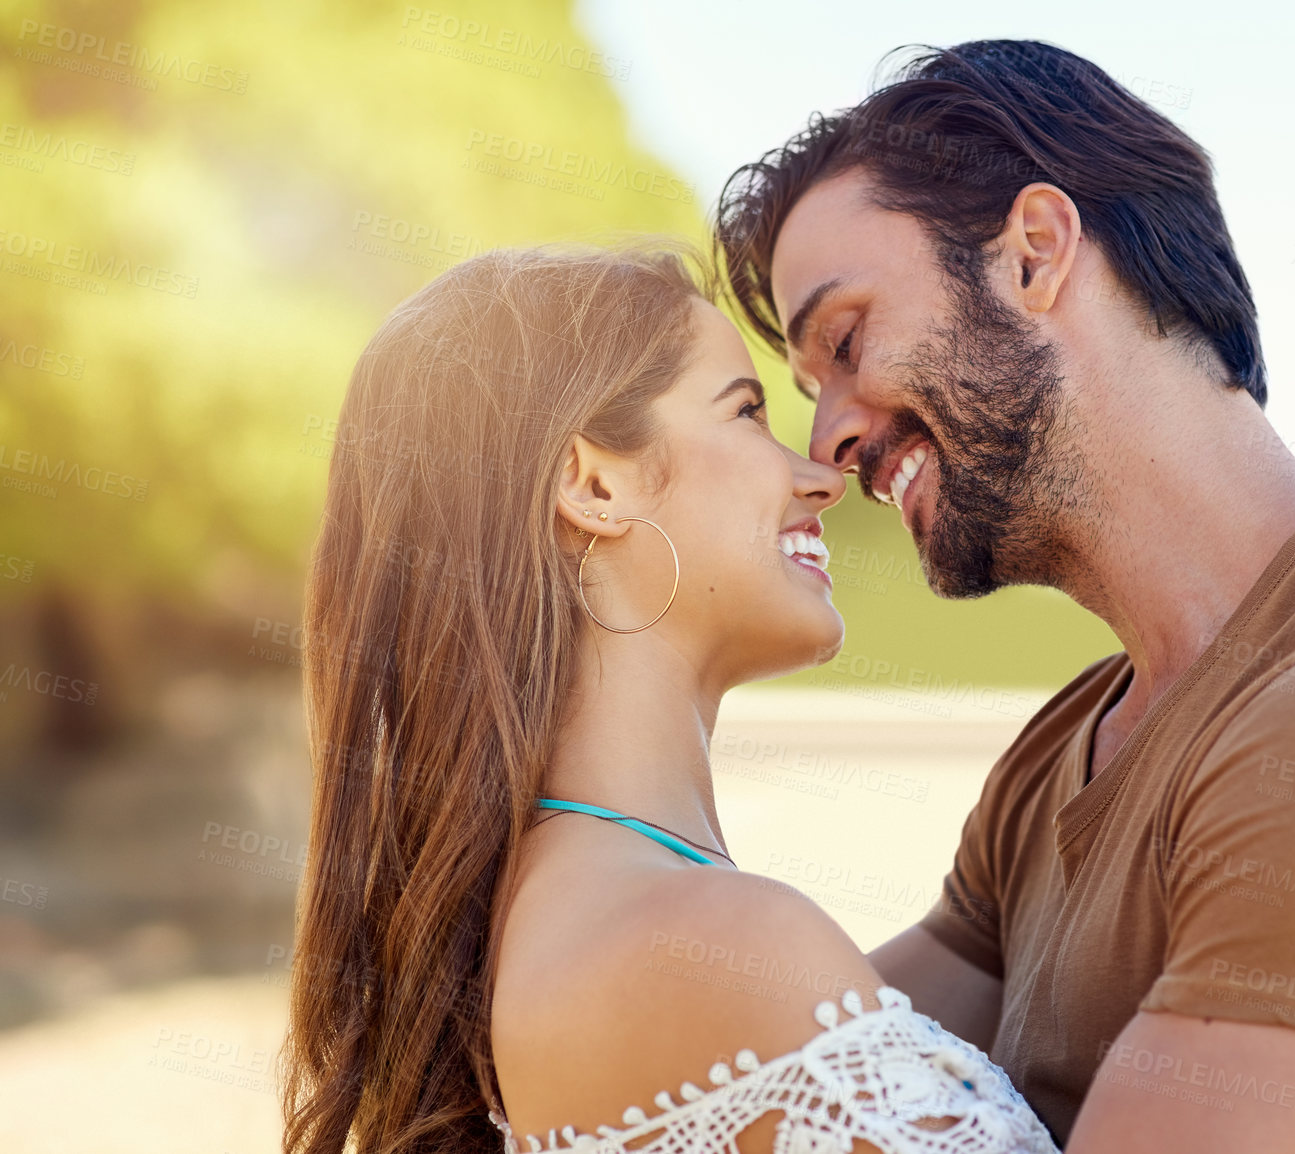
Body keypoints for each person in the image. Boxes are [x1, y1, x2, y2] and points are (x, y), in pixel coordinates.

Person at [716, 39, 1295, 1154]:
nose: (833, 436)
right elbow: (774, 1087)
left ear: (1035, 253)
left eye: (847, 339)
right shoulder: (1071, 746)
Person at [279, 247, 1059, 1154]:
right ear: (595, 486)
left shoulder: (564, 917)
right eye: (745, 412)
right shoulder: (713, 942)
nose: (823, 478)